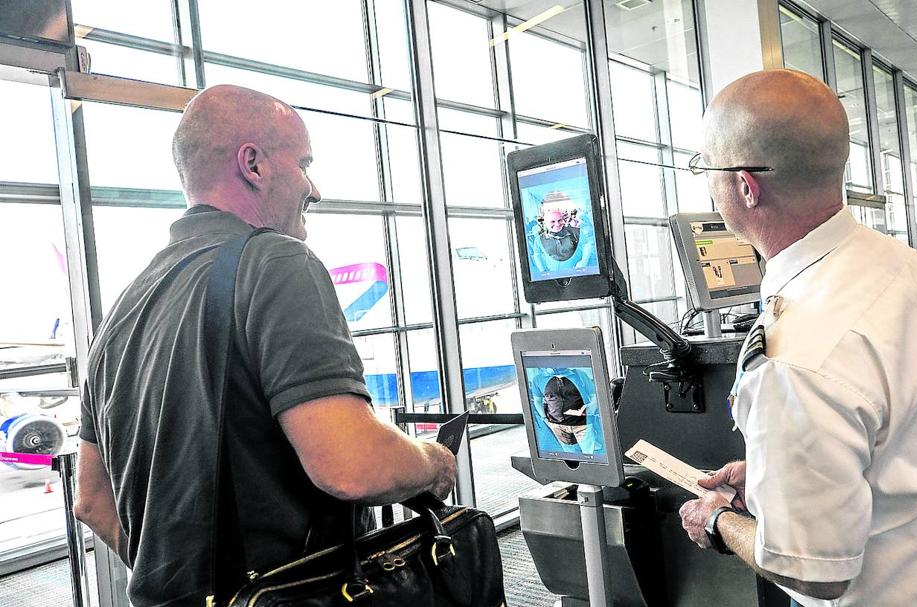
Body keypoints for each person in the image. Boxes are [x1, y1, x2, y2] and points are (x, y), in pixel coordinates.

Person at [73, 85, 457, 606]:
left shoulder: (122, 309)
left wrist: (193, 584)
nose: (314, 188)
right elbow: (351, 465)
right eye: (303, 163)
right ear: (252, 163)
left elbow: (92, 500)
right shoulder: (276, 262)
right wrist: (432, 461)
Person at [677, 69, 917, 606]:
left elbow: (814, 572)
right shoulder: (909, 268)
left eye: (707, 167)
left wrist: (718, 520)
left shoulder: (798, 358)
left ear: (746, 186)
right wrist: (779, 475)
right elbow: (905, 429)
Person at [542, 374, 588, 446]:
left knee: (588, 451)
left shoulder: (578, 374)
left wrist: (589, 408)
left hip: (580, 423)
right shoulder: (540, 378)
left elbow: (593, 395)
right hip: (556, 424)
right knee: (568, 450)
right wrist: (545, 418)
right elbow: (538, 399)